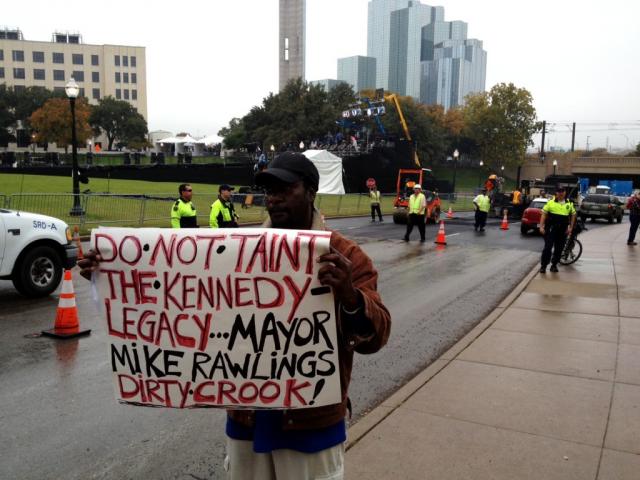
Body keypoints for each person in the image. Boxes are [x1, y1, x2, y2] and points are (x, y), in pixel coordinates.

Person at [78, 152, 391, 480]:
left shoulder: (346, 256)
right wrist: (114, 276)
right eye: (269, 191)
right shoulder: (235, 250)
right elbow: (180, 292)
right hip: (247, 421)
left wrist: (350, 297)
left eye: (285, 189)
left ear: (311, 191)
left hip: (312, 423)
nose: (274, 199)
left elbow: (377, 337)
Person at [539, 186, 576, 273]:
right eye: (559, 191)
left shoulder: (569, 203)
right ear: (556, 193)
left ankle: (554, 265)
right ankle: (543, 266)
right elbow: (543, 214)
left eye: (562, 191)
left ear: (565, 192)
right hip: (551, 230)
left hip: (562, 230)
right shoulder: (550, 203)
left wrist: (570, 227)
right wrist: (541, 227)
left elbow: (573, 215)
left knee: (559, 249)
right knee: (547, 248)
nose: (560, 193)